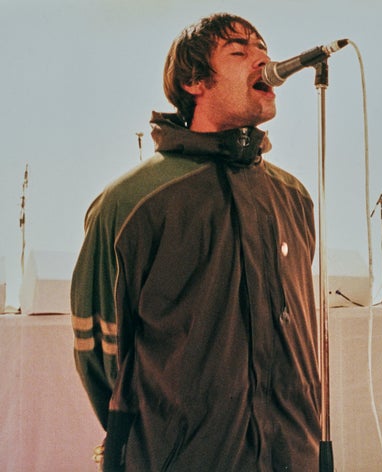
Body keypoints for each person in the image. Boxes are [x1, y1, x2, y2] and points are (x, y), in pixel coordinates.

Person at [71, 13, 320, 471]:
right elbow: (101, 355)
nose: (262, 59)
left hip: (294, 454)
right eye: (238, 51)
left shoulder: (294, 197)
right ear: (194, 81)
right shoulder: (131, 203)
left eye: (262, 48)